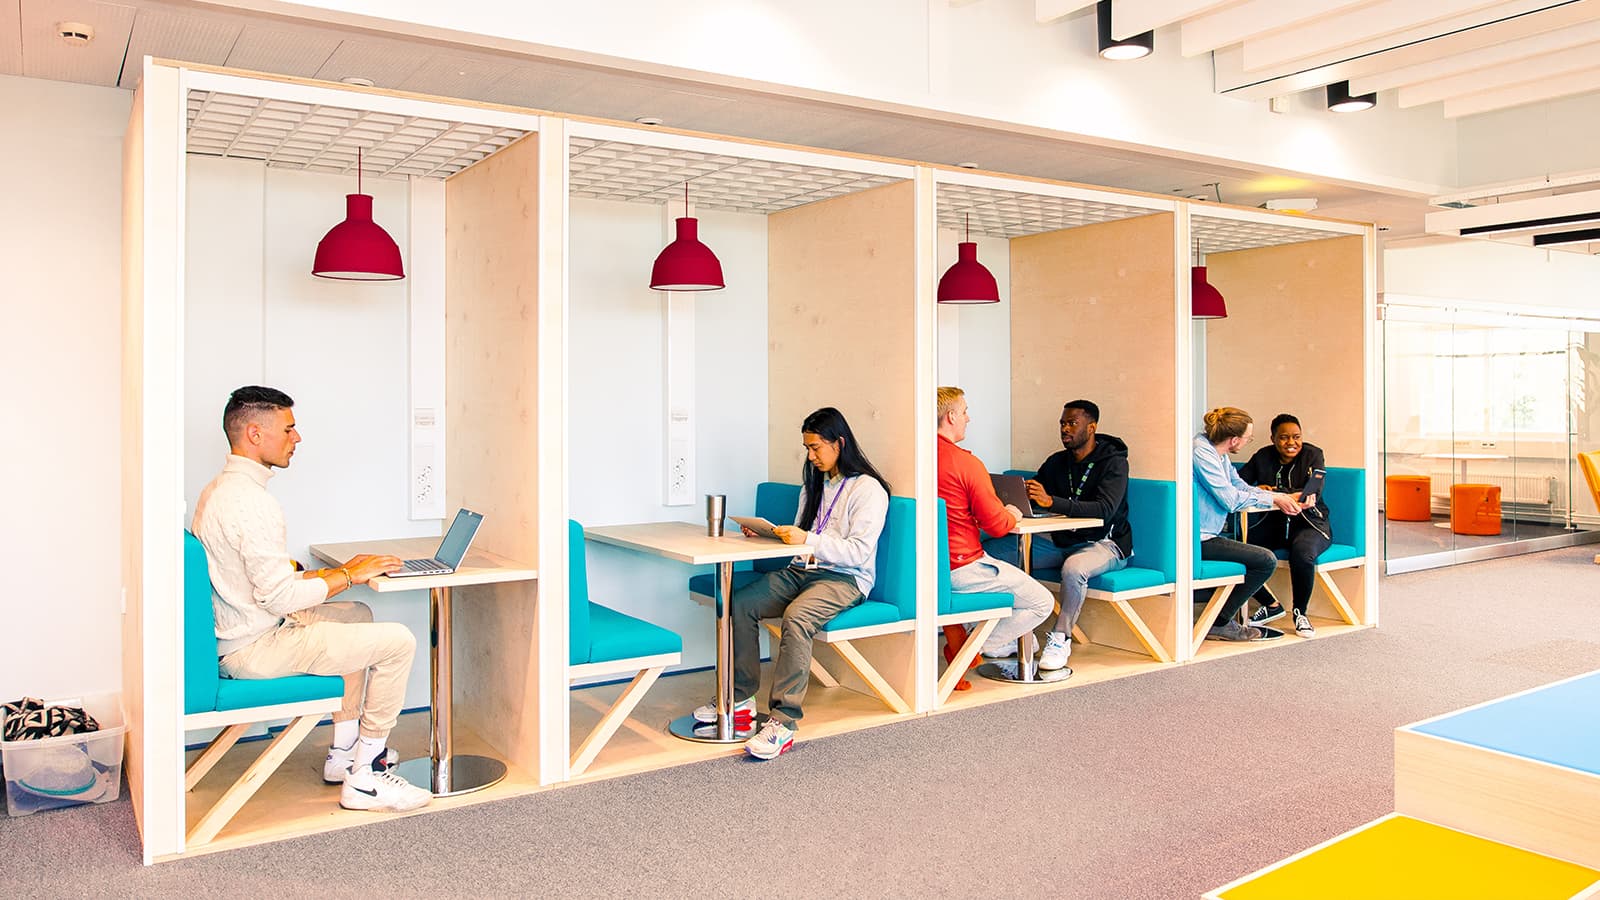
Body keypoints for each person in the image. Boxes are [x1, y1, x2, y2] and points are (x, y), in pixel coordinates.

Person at [191, 386, 430, 812]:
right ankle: (366, 777)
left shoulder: (218, 491)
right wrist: (346, 574)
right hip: (255, 647)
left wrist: (338, 575)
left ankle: (342, 755)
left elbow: (256, 575)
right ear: (254, 433)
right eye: (289, 428)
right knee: (398, 641)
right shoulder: (252, 503)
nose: (296, 438)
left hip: (240, 629)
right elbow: (280, 596)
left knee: (357, 614)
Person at [695, 407, 891, 761]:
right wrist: (769, 534)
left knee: (798, 617)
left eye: (816, 447)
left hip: (845, 579)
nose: (811, 456)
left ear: (839, 443)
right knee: (740, 603)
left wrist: (807, 539)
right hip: (802, 571)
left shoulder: (868, 490)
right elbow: (803, 540)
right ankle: (739, 698)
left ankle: (783, 721)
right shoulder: (813, 486)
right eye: (807, 448)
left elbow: (858, 552)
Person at [936, 387, 1055, 674]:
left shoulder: (914, 459)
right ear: (951, 416)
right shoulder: (966, 463)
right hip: (963, 568)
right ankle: (977, 646)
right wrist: (1012, 513)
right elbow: (996, 524)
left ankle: (985, 638)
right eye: (964, 411)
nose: (969, 418)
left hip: (928, 569)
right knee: (1042, 602)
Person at [1019, 400, 1132, 671]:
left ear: (1091, 427)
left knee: (1073, 569)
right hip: (1061, 540)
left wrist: (1051, 502)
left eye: (1072, 423)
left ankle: (1061, 637)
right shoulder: (1057, 462)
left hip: (1105, 543)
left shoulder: (1114, 463)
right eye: (1062, 423)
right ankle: (1019, 632)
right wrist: (1024, 494)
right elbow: (1039, 494)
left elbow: (1104, 509)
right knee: (999, 553)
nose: (1065, 429)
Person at [1193, 407, 1303, 642]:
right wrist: (1274, 498)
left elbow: (1239, 485)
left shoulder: (1218, 454)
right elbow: (1231, 499)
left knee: (1256, 556)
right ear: (1234, 439)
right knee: (1264, 560)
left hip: (1209, 533)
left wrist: (1281, 496)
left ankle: (1220, 618)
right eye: (1247, 438)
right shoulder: (1202, 453)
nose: (1247, 442)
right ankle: (1220, 622)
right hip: (1196, 538)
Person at [1237, 413, 1332, 638]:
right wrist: (1259, 489)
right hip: (1274, 524)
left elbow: (1311, 494)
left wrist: (1272, 492)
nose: (1291, 443)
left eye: (1296, 437)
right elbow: (1239, 484)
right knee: (1240, 551)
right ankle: (1271, 604)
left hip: (1311, 524)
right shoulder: (1262, 456)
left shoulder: (1313, 455)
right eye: (1284, 438)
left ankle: (1300, 613)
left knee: (1302, 553)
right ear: (1273, 439)